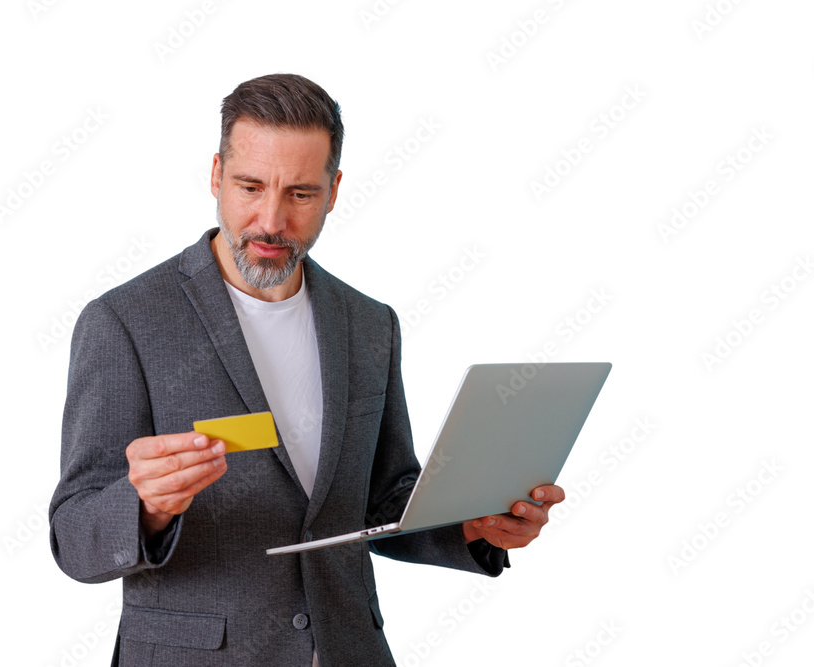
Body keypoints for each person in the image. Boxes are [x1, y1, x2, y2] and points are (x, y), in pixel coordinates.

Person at [49, 73, 565, 666]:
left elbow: (382, 501)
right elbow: (73, 537)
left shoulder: (370, 324)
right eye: (249, 187)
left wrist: (471, 523)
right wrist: (146, 506)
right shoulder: (124, 321)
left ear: (334, 189)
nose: (271, 221)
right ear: (216, 174)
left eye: (300, 194)